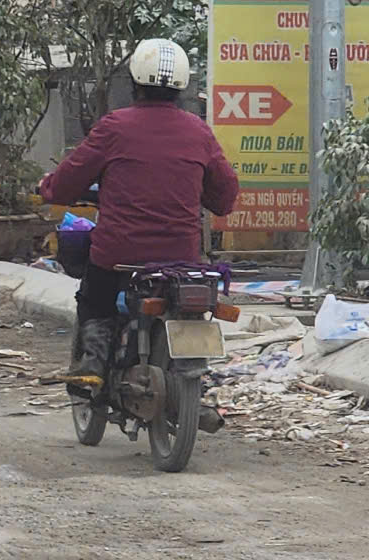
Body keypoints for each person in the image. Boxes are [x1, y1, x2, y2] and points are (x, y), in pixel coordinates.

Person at [38, 38, 239, 391]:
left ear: (134, 82)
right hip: (181, 258)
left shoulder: (114, 127)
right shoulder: (198, 131)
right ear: (182, 87)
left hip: (119, 255)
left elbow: (69, 181)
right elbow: (224, 197)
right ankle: (197, 388)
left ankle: (93, 360)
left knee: (94, 293)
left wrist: (48, 188)